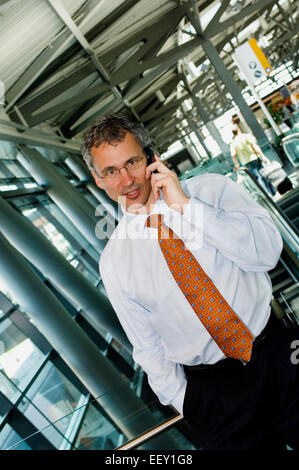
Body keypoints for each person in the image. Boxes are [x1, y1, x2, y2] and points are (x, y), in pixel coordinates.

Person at [81, 114, 299, 450]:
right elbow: (148, 348)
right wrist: (188, 402)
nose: (126, 180)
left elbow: (267, 254)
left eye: (132, 162)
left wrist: (186, 206)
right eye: (111, 171)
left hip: (279, 353)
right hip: (216, 398)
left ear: (151, 157)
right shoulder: (115, 262)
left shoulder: (211, 190)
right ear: (98, 180)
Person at [230, 127, 276, 196]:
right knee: (264, 174)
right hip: (255, 158)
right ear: (239, 130)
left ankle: (267, 195)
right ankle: (272, 191)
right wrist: (262, 155)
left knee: (257, 179)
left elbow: (233, 155)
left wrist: (237, 165)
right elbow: (254, 146)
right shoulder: (246, 136)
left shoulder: (233, 143)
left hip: (247, 163)